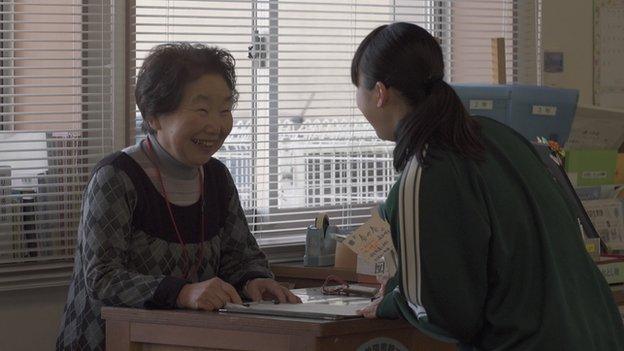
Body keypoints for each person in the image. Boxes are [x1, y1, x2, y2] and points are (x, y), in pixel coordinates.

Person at [352, 22, 624, 350]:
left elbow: (446, 314)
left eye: (358, 88)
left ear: (379, 93)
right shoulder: (500, 137)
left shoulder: (425, 169)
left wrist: (397, 299)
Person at [56, 43, 299, 351]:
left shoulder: (217, 177)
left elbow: (241, 256)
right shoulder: (117, 177)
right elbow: (102, 278)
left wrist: (254, 281)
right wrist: (182, 292)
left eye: (224, 110)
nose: (216, 125)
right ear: (155, 116)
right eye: (201, 110)